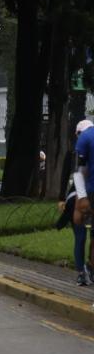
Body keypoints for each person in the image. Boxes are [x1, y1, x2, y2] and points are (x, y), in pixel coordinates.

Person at [72, 120, 94, 285]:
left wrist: (82, 197)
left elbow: (79, 172)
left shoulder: (84, 138)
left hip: (89, 192)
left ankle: (84, 271)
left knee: (83, 234)